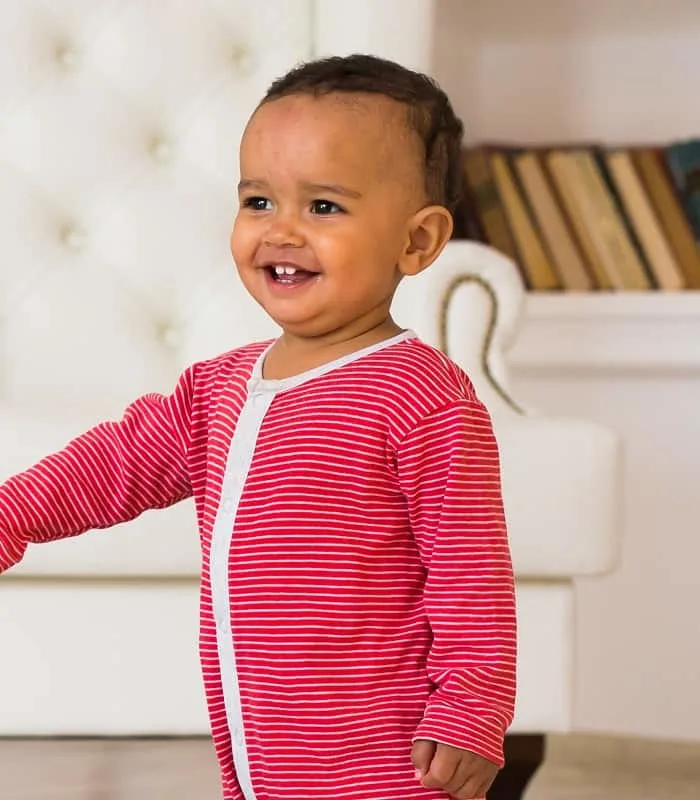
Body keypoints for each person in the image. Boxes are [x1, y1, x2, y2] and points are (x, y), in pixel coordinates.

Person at [0, 54, 516, 800]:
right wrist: (12, 512)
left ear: (418, 242)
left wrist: (472, 707)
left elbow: (470, 572)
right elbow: (111, 465)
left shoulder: (421, 397)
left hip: (387, 761)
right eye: (258, 202)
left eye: (325, 208)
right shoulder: (217, 389)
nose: (282, 231)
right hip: (262, 757)